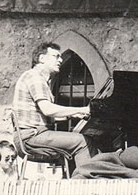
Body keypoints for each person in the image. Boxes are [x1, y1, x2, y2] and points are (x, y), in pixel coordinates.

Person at [12, 42, 97, 170]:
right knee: (82, 142)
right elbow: (47, 110)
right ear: (41, 59)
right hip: (31, 137)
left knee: (77, 143)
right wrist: (82, 109)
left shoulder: (38, 79)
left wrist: (73, 115)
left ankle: (79, 180)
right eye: (56, 56)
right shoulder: (35, 77)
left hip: (32, 135)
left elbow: (47, 116)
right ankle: (86, 183)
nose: (61, 60)